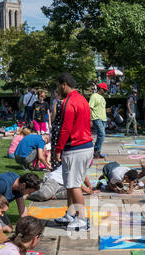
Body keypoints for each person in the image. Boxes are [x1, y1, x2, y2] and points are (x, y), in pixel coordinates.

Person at [54, 72, 94, 231]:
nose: (58, 89)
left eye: (58, 86)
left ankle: (82, 219)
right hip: (85, 146)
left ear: (64, 84)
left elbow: (65, 128)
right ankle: (70, 214)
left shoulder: (68, 102)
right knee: (70, 184)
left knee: (74, 184)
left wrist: (58, 148)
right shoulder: (82, 99)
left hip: (75, 148)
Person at [29, 165, 96, 201]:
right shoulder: (74, 159)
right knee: (43, 195)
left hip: (65, 185)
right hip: (55, 180)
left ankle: (53, 196)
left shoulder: (83, 163)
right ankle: (29, 194)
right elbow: (74, 180)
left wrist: (90, 187)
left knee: (77, 194)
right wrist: (86, 190)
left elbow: (84, 177)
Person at [89, 82, 108, 158]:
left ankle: (98, 151)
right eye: (104, 90)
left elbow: (100, 108)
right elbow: (89, 107)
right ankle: (96, 150)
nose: (105, 92)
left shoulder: (102, 97)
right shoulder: (94, 96)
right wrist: (90, 119)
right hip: (96, 118)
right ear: (100, 89)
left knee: (101, 135)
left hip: (103, 118)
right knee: (102, 134)